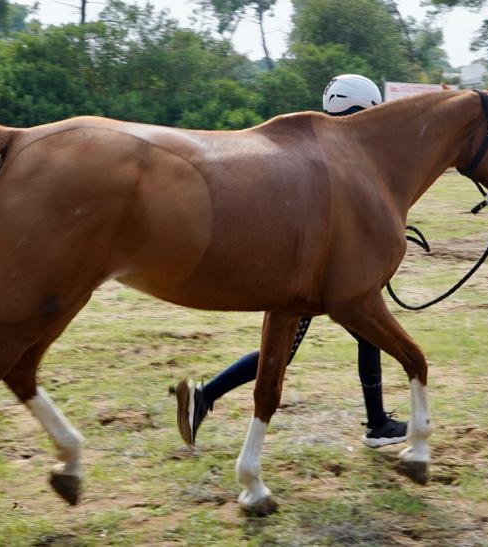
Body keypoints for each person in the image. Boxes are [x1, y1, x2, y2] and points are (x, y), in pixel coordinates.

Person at [173, 74, 408, 449]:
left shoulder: (320, 147)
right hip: (315, 283)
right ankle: (204, 397)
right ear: (361, 110)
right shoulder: (342, 157)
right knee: (286, 352)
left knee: (352, 340)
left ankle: (204, 397)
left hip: (310, 278)